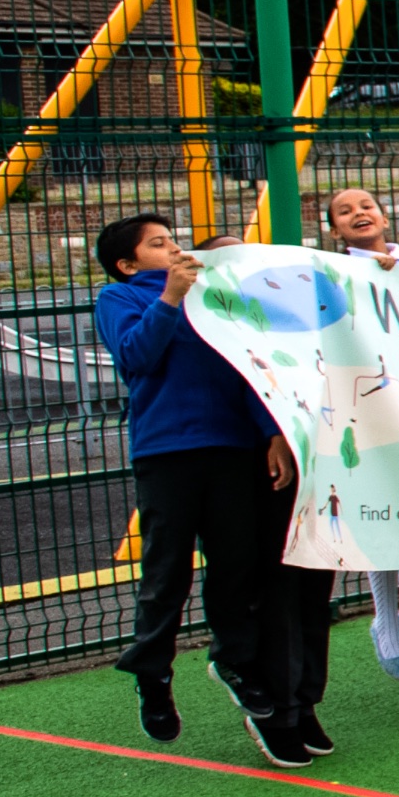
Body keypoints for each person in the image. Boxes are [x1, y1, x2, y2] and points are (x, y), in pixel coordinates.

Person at [91, 214, 304, 767]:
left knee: (237, 561)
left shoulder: (213, 295)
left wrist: (270, 434)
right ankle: (152, 673)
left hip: (231, 448)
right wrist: (169, 298)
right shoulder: (119, 299)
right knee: (168, 571)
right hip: (167, 452)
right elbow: (137, 358)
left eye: (173, 239)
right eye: (158, 244)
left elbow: (247, 370)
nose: (174, 248)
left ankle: (233, 659)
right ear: (128, 263)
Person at [320, 186, 399, 682]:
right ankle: (383, 620)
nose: (359, 214)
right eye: (345, 212)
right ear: (335, 230)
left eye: (366, 206)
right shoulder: (329, 274)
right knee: (378, 508)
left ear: (384, 215)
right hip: (361, 405)